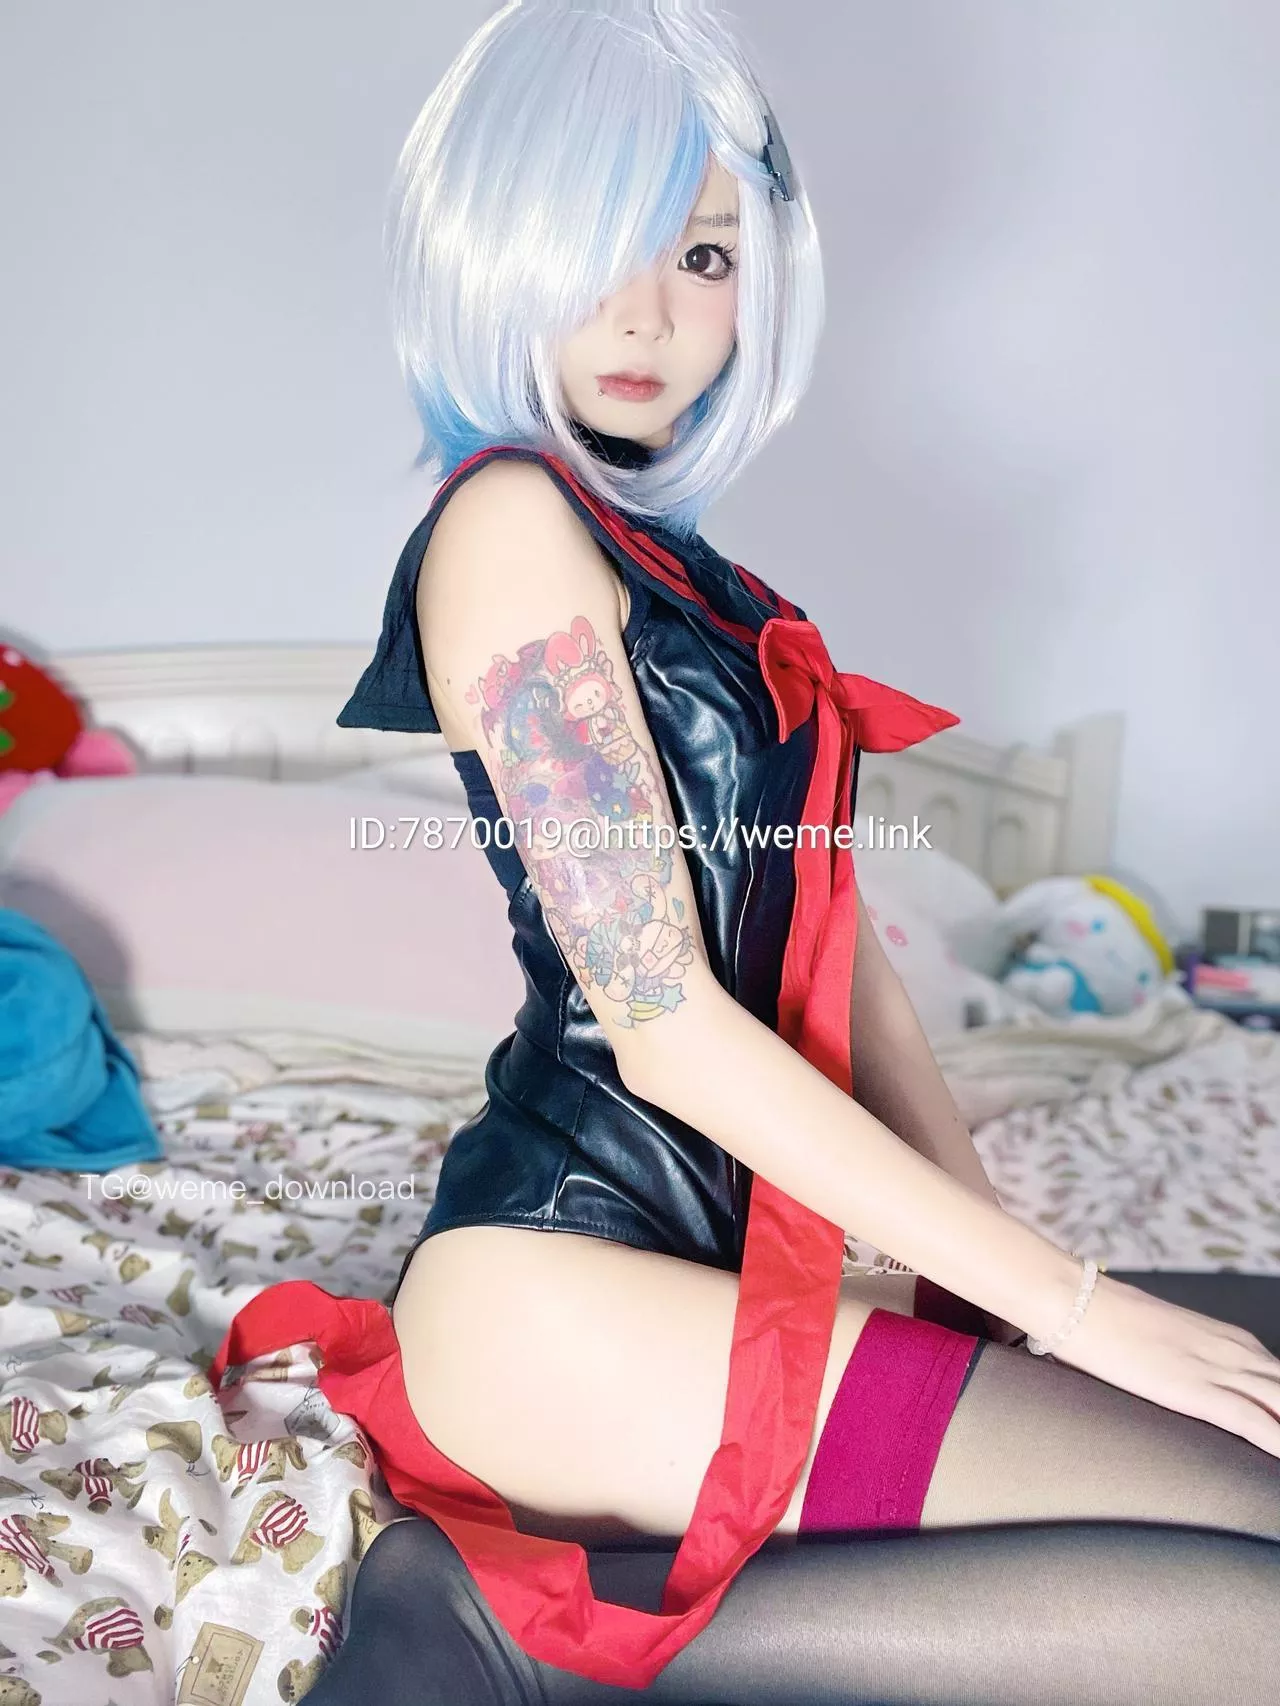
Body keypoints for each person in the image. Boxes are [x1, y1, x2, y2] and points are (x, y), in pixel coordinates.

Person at [211, 4, 1280, 1700]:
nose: (651, 309)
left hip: (715, 1279)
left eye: (703, 253)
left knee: (1236, 1416)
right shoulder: (509, 523)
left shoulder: (687, 574)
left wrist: (997, 1283)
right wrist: (1081, 1305)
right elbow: (664, 1023)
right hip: (558, 1291)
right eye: (600, 242)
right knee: (1256, 1582)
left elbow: (840, 965)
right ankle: (489, 1634)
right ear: (498, 242)